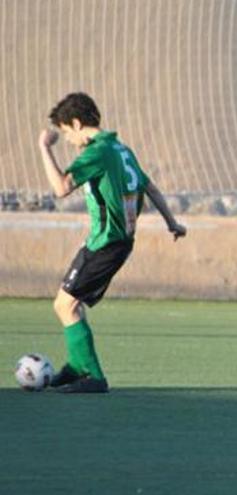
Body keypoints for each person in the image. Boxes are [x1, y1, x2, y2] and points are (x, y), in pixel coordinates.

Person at [37, 92, 187, 393]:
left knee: (65, 304)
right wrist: (172, 222)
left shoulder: (98, 152)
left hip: (108, 242)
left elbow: (61, 187)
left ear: (77, 124)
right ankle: (78, 366)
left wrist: (44, 148)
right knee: (69, 304)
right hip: (109, 242)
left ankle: (92, 376)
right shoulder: (121, 149)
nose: (67, 140)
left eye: (67, 132)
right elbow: (150, 186)